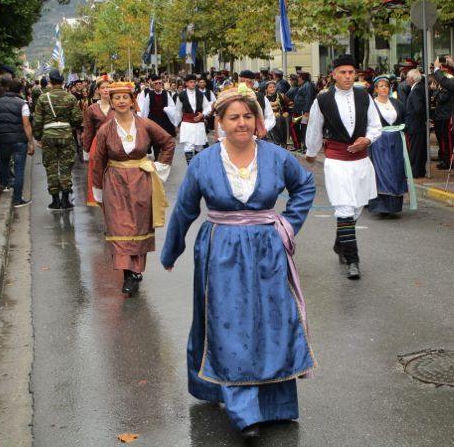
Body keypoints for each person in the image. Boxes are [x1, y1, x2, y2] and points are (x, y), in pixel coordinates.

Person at [160, 87, 316, 438]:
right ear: (220, 122)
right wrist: (172, 251)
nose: (242, 123)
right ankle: (244, 410)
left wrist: (289, 224)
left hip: (267, 249)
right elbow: (185, 209)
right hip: (221, 250)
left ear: (257, 120)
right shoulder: (204, 162)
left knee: (271, 322)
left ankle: (275, 404)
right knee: (228, 325)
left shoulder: (275, 156)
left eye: (248, 116)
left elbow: (305, 185)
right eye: (234, 117)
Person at [92, 82, 175, 296]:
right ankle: (127, 273)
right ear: (111, 102)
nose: (121, 101)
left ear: (131, 100)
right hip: (115, 182)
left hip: (140, 181)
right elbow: (98, 161)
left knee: (138, 226)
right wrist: (97, 189)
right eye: (116, 98)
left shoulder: (145, 124)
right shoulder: (105, 129)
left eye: (125, 97)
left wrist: (158, 167)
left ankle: (136, 270)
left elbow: (168, 142)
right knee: (119, 226)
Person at [305, 54, 382, 280]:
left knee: (357, 208)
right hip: (337, 161)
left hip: (361, 162)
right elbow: (314, 127)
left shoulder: (364, 96)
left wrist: (367, 139)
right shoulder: (323, 100)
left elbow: (375, 125)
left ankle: (341, 242)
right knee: (345, 209)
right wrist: (311, 152)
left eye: (351, 72)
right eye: (343, 72)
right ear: (334, 74)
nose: (348, 76)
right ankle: (352, 260)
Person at [33, 69, 83, 211]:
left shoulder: (43, 98)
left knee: (51, 167)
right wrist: (69, 125)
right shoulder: (70, 98)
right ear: (62, 82)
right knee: (66, 166)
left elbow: (37, 121)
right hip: (66, 135)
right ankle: (66, 200)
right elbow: (78, 118)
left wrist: (37, 136)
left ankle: (55, 200)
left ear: (50, 81)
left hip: (48, 136)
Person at [368, 75, 415, 217]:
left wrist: (404, 126)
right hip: (379, 142)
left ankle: (394, 206)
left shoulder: (397, 103)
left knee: (396, 171)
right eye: (381, 86)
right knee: (382, 172)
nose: (384, 88)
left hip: (396, 141)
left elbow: (407, 116)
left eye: (386, 86)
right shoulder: (371, 105)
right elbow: (366, 122)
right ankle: (382, 207)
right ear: (376, 89)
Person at [0, 78, 35, 207]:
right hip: (19, 140)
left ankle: (5, 185)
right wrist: (31, 142)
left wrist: (1, 132)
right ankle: (17, 199)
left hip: (3, 138)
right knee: (19, 169)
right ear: (21, 90)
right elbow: (26, 124)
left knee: (4, 161)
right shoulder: (22, 104)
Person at [82, 76, 114, 207]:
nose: (106, 90)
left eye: (108, 87)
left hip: (116, 143)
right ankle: (102, 201)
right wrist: (86, 151)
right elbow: (88, 131)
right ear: (98, 90)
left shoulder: (118, 105)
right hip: (98, 144)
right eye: (103, 88)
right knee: (99, 173)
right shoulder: (92, 108)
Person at [171, 74, 211, 164]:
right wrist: (176, 125)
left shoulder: (200, 94)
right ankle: (190, 167)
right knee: (188, 146)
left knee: (199, 146)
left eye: (194, 82)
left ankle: (197, 167)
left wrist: (203, 114)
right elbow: (178, 111)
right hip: (187, 124)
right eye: (190, 82)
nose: (193, 84)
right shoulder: (181, 95)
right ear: (186, 83)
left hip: (199, 124)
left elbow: (208, 107)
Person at [139, 74, 178, 159]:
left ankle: (164, 159)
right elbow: (145, 110)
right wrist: (143, 123)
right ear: (153, 84)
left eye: (160, 83)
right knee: (155, 141)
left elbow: (172, 107)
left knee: (165, 141)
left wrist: (175, 123)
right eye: (156, 83)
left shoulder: (166, 94)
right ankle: (157, 158)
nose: (158, 85)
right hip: (153, 120)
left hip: (165, 121)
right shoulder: (149, 95)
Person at [404, 69, 427, 178]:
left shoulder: (416, 90)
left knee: (415, 150)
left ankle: (415, 171)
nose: (406, 80)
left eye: (408, 78)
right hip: (417, 124)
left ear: (412, 79)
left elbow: (418, 109)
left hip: (415, 125)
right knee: (419, 149)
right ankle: (419, 170)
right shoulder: (419, 87)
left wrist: (420, 120)